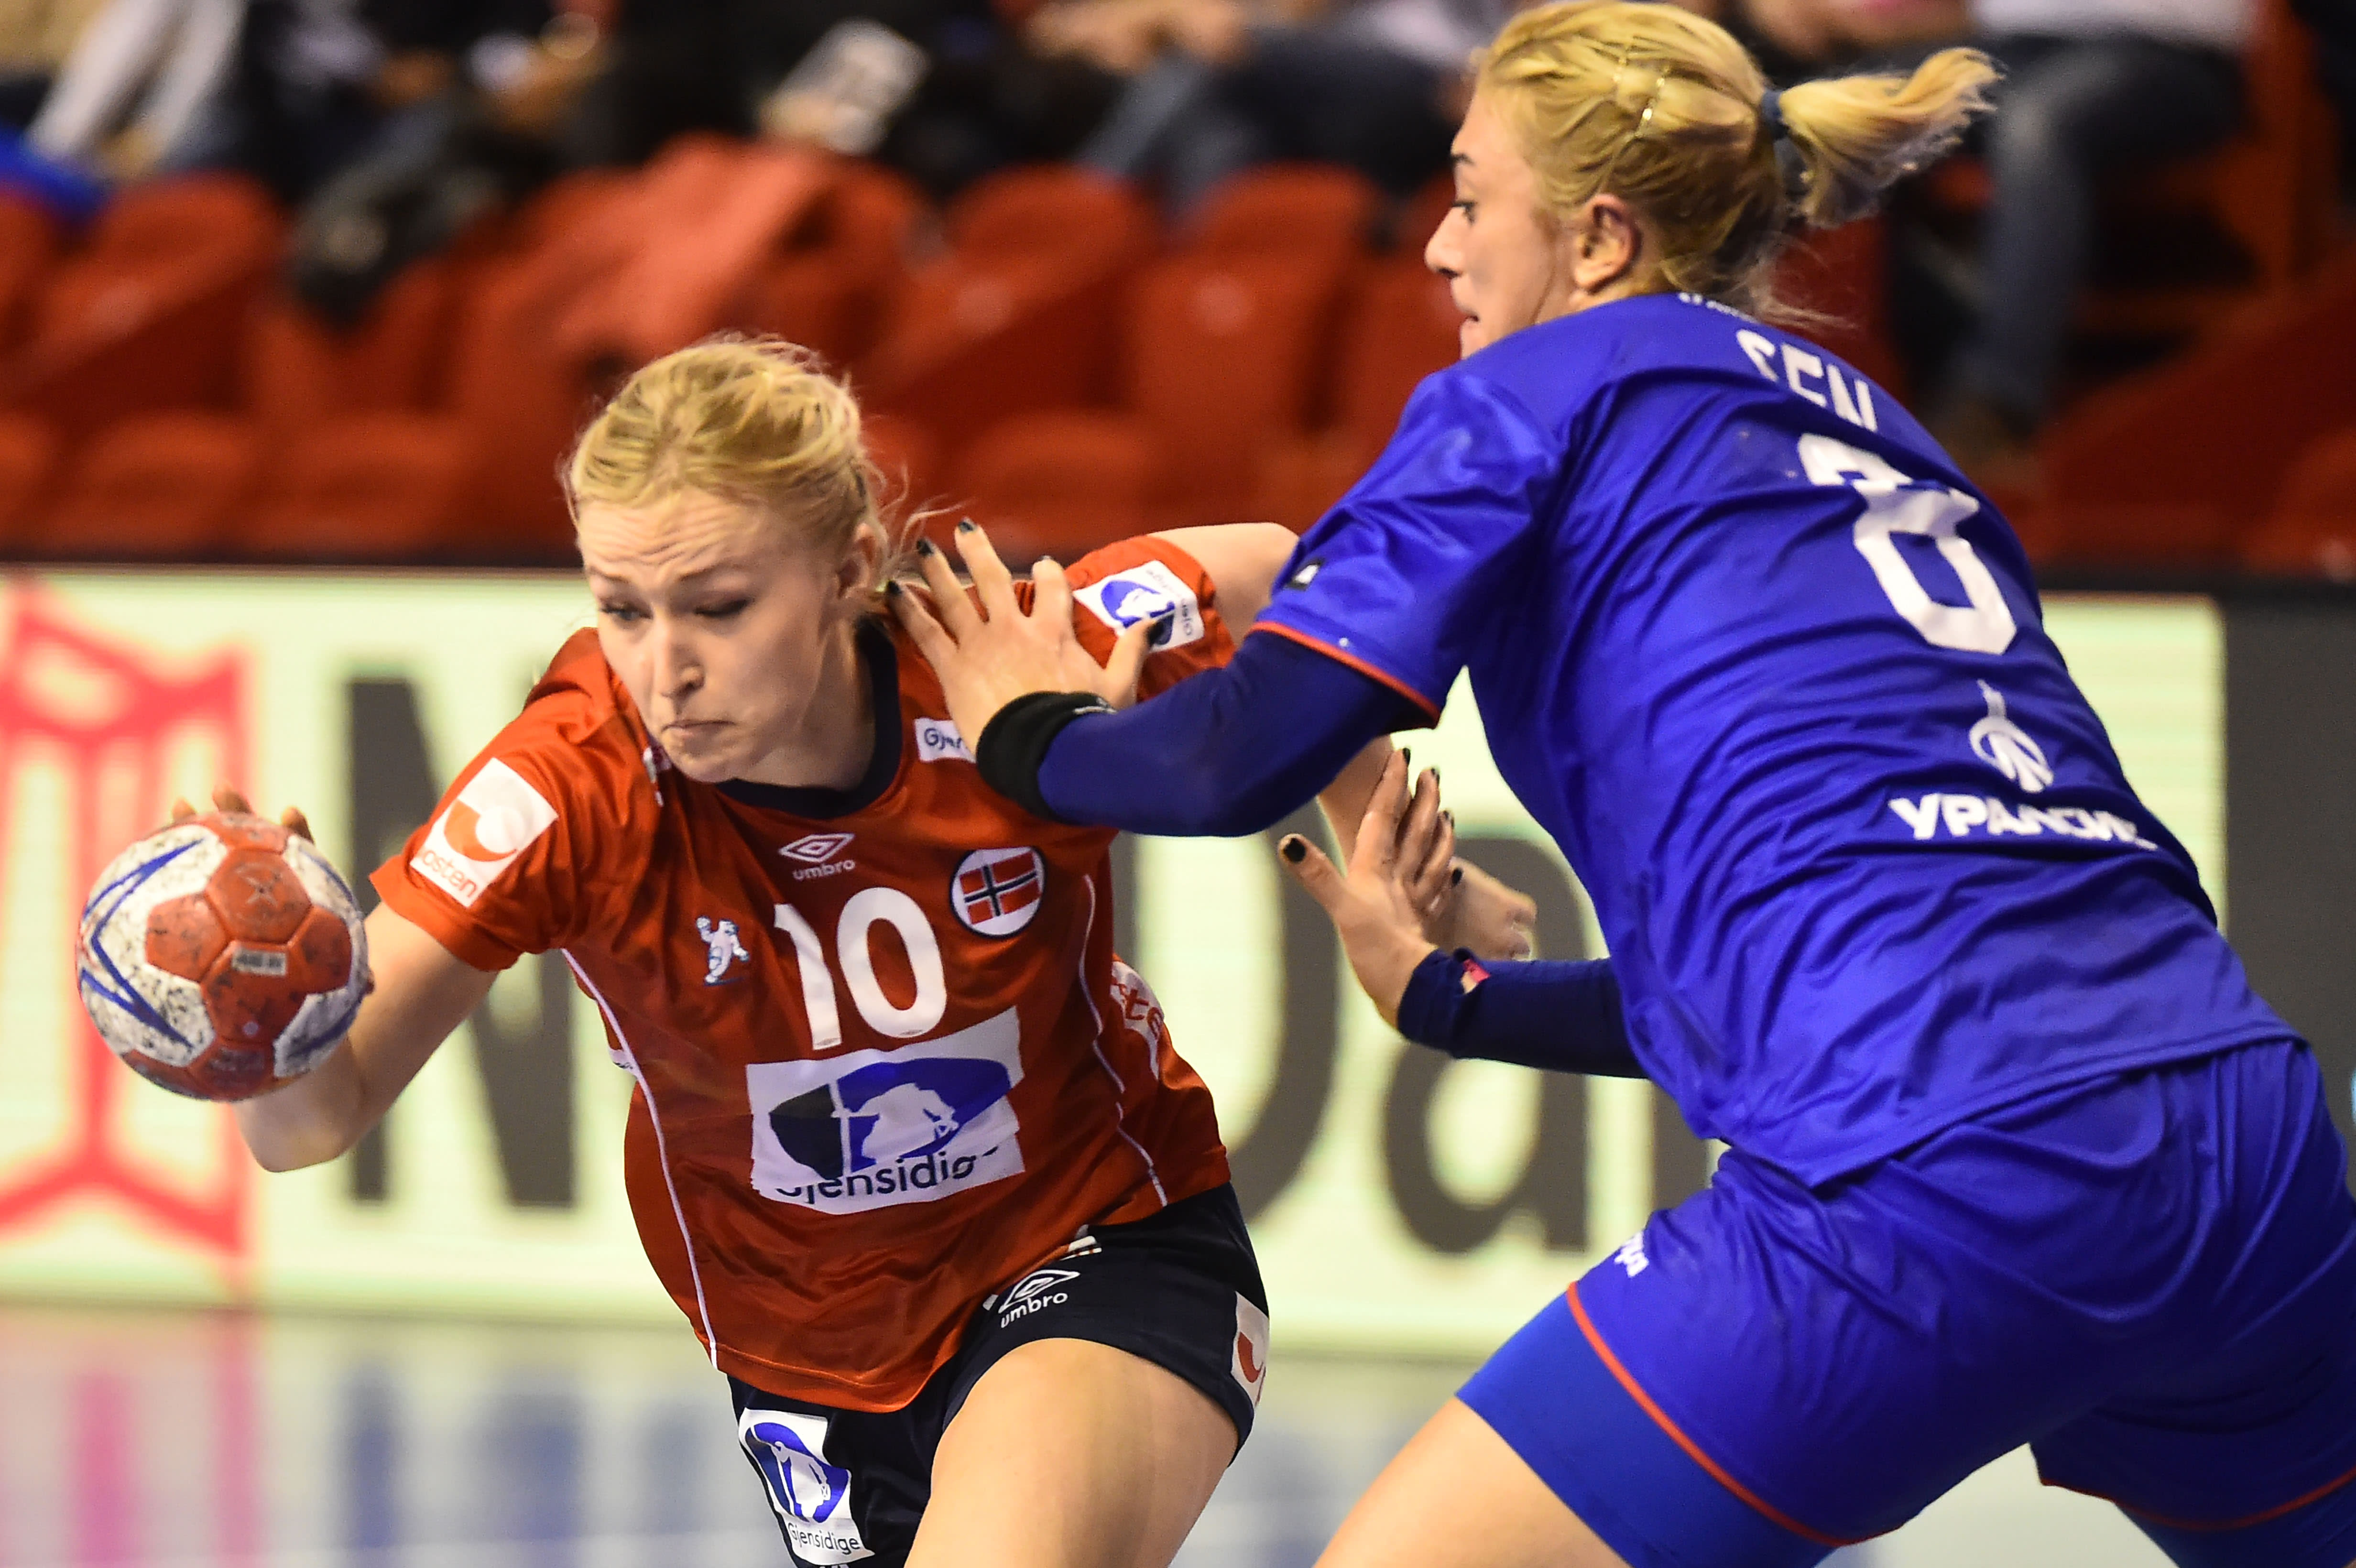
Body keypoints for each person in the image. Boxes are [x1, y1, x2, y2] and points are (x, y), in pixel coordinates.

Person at [888, 3, 2356, 1564]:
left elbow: (1242, 751)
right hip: (2246, 1145)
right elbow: (1879, 946)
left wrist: (1029, 735)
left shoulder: (1539, 393)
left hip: (1936, 1178)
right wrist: (1457, 1002)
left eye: (1470, 199)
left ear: (1596, 240)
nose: (1438, 247)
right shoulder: (1893, 444)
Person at [206, 337, 1525, 1568]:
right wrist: (257, 1018)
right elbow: (310, 1124)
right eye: (622, 609)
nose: (666, 672)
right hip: (802, 1357)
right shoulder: (570, 785)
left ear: (846, 569)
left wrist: (1391, 846)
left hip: (1099, 1240)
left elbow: (1266, 570)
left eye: (719, 606)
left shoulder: (1000, 673)